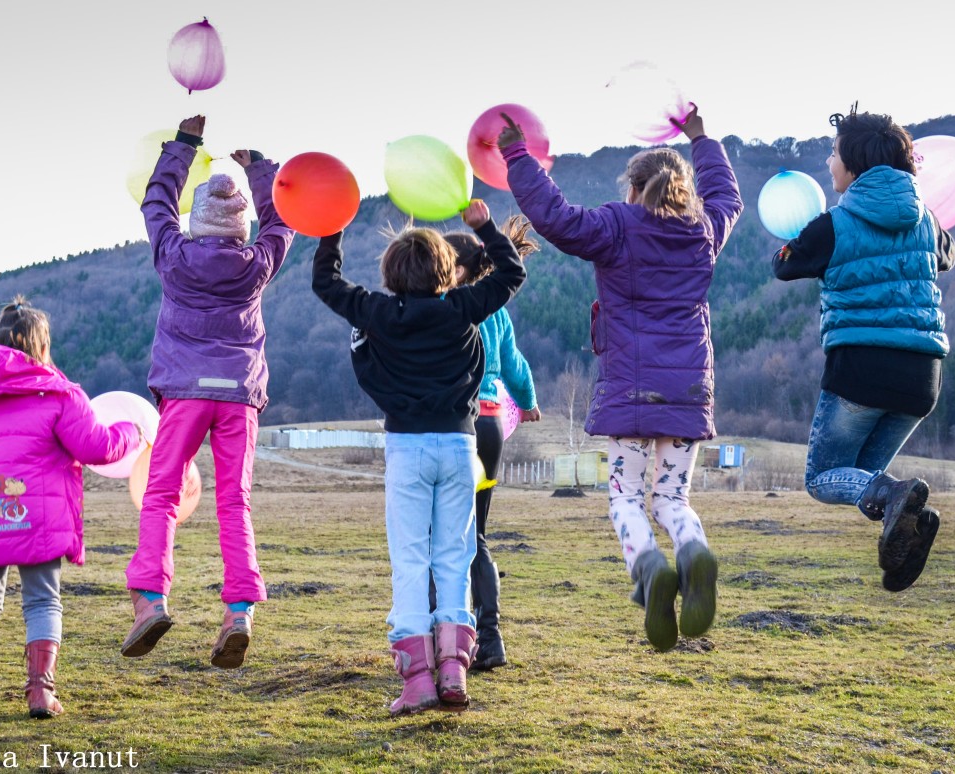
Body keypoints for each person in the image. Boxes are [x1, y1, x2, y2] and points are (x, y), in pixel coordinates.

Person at [498, 106, 743, 652]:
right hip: (688, 390)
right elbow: (728, 196)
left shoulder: (616, 227)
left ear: (634, 189)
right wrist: (702, 139)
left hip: (632, 389)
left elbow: (555, 216)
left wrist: (517, 154)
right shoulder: (703, 230)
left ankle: (650, 569)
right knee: (672, 498)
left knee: (626, 497)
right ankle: (693, 552)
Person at [311, 199, 526, 715]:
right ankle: (454, 671)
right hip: (459, 445)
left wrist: (333, 230)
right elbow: (512, 273)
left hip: (407, 447)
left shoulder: (378, 312)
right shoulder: (463, 307)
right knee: (455, 558)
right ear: (447, 272)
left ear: (391, 273)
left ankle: (417, 682)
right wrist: (485, 227)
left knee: (411, 561)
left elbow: (326, 282)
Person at [122, 115, 294, 669]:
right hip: (239, 396)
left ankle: (150, 601)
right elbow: (281, 221)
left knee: (161, 495)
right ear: (241, 228)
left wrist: (184, 145)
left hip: (184, 392)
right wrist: (260, 170)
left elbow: (156, 202)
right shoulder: (257, 264)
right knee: (234, 501)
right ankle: (239, 612)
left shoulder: (174, 256)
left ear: (196, 223)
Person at [0, 297, 141, 718]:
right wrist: (132, 431)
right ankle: (41, 694)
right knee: (42, 602)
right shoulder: (61, 395)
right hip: (40, 520)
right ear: (42, 347)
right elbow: (97, 448)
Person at [772, 108, 955, 592]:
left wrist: (795, 236)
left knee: (823, 479)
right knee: (865, 478)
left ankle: (898, 500)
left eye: (833, 153)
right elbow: (949, 255)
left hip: (862, 370)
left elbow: (783, 266)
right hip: (922, 377)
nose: (828, 162)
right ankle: (912, 527)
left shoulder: (833, 225)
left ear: (853, 165)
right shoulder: (927, 220)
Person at [441, 216, 542, 670]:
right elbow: (513, 363)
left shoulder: (446, 305)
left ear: (457, 268)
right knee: (477, 534)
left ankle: (443, 636)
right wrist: (529, 402)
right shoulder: (496, 310)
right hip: (490, 426)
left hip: (458, 425)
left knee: (442, 536)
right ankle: (490, 637)